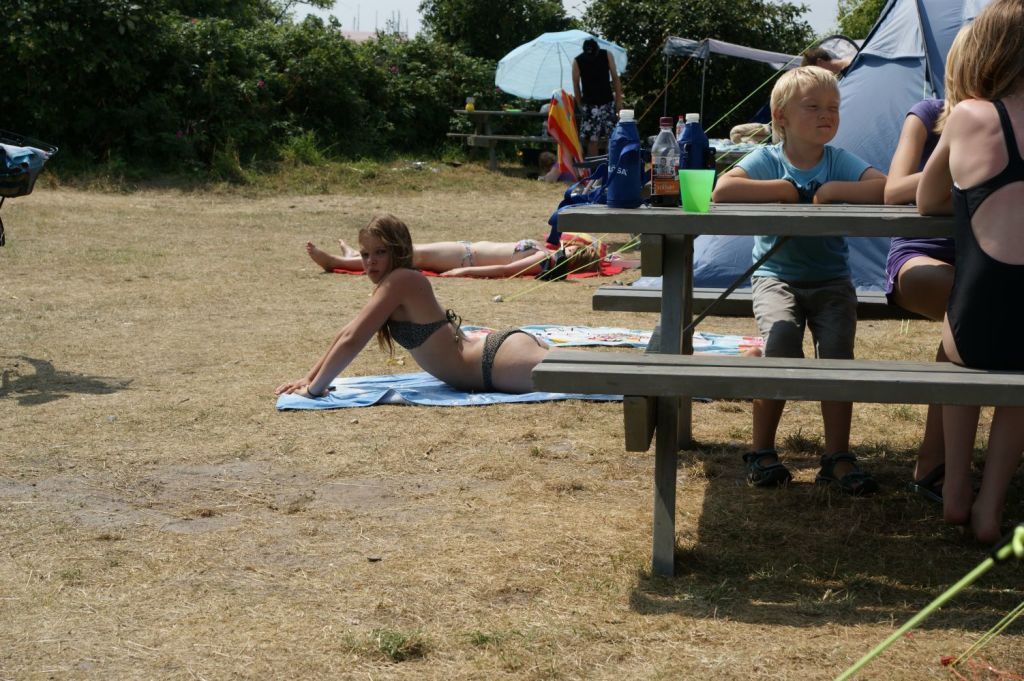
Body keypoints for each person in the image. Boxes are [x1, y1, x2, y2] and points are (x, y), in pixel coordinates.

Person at [711, 66, 887, 494]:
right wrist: (784, 190)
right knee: (781, 344)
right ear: (781, 117)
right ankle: (762, 451)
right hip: (777, 278)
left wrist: (833, 191)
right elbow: (722, 190)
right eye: (813, 107)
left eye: (834, 107)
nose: (827, 115)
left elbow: (884, 188)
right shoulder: (768, 159)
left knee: (838, 359)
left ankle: (838, 456)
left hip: (832, 279)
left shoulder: (838, 160)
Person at [917, 0, 1024, 543]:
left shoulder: (969, 116)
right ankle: (991, 505)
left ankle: (955, 485)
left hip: (977, 311)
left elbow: (927, 198)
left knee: (956, 354)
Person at [277, 214, 551, 399]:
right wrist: (309, 378)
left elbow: (353, 340)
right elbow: (347, 332)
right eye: (365, 254)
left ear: (398, 251)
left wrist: (314, 390)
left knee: (577, 379)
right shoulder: (393, 283)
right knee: (573, 374)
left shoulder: (402, 280)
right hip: (493, 361)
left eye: (380, 252)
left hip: (494, 362)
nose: (370, 262)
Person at [884, 26, 972, 503]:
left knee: (976, 310)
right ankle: (936, 464)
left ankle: (943, 465)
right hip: (918, 257)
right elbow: (894, 190)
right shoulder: (928, 114)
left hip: (983, 261)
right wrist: (967, 169)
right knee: (971, 307)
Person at [305, 237, 602, 279]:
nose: (569, 246)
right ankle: (354, 257)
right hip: (464, 251)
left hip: (464, 259)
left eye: (573, 250)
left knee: (406, 254)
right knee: (408, 251)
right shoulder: (547, 252)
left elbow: (504, 269)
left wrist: (464, 273)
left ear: (571, 260)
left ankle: (337, 262)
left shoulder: (545, 261)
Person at [572, 38, 624, 158]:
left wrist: (619, 101)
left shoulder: (607, 55)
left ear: (597, 49)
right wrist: (579, 104)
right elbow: (575, 84)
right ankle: (593, 167)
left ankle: (611, 164)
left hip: (607, 102)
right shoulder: (578, 60)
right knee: (592, 139)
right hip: (589, 104)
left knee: (612, 136)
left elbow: (615, 78)